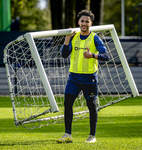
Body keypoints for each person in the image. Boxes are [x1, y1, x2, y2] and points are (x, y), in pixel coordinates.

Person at [56, 10, 109, 143]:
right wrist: (67, 39)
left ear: (91, 23)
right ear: (78, 22)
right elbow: (64, 54)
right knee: (67, 103)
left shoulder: (95, 38)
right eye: (82, 21)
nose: (84, 23)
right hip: (73, 77)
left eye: (87, 21)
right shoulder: (74, 36)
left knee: (91, 106)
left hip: (89, 78)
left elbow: (106, 56)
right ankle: (67, 134)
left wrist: (93, 55)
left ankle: (92, 136)